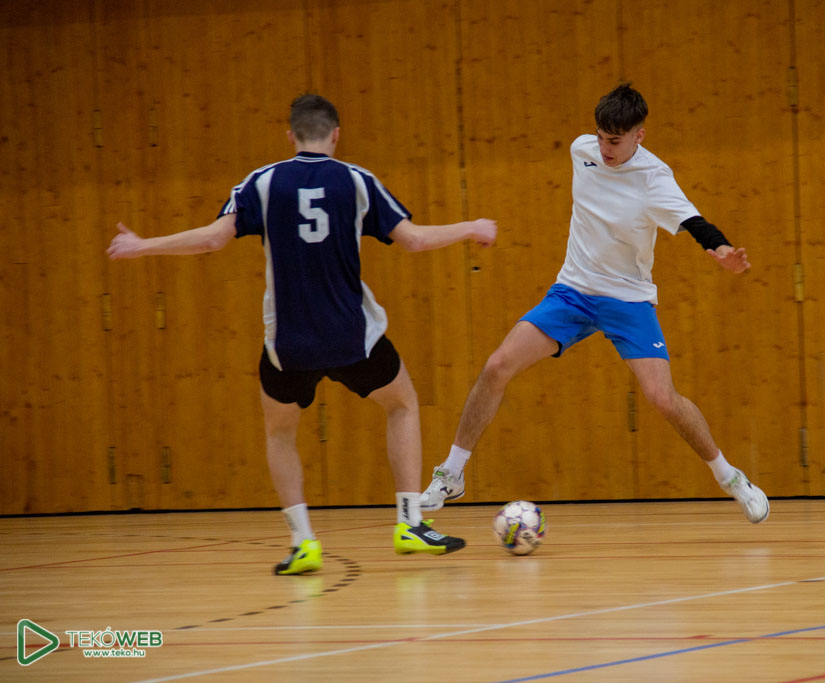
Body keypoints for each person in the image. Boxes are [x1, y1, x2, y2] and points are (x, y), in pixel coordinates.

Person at [108, 93, 497, 574]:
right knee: (401, 404)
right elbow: (414, 240)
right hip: (353, 336)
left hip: (288, 344)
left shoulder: (261, 182)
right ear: (336, 134)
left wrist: (142, 245)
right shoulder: (356, 180)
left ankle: (302, 542)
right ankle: (408, 522)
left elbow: (212, 238)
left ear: (290, 135)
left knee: (280, 432)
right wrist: (471, 227)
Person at [421, 83, 769, 523]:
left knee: (662, 398)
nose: (605, 149)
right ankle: (451, 474)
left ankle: (731, 478)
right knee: (496, 366)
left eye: (615, 141)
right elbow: (593, 153)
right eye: (602, 138)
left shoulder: (654, 178)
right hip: (573, 291)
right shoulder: (580, 150)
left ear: (639, 135)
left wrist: (723, 253)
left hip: (628, 299)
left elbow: (695, 222)